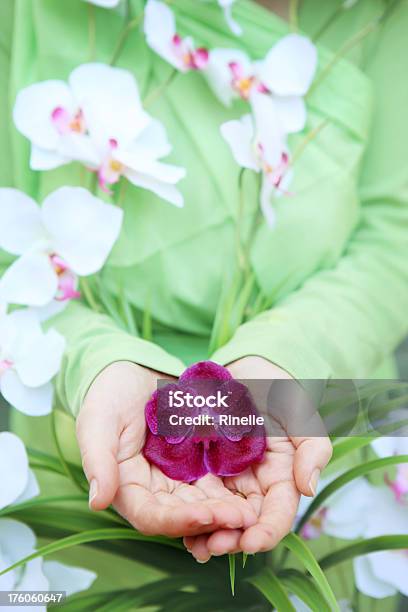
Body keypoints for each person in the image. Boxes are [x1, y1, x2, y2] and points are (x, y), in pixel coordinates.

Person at [0, 0, 407, 568]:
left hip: (315, 425)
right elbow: (11, 262)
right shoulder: (39, 14)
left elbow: (396, 243)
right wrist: (97, 362)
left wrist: (284, 360)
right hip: (80, 456)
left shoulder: (376, 17)